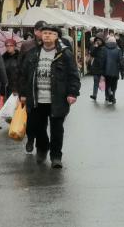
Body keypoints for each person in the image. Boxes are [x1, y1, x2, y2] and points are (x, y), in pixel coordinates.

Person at [19, 25, 80, 168]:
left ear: (56, 36)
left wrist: (72, 93)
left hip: (57, 99)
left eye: (50, 33)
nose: (47, 35)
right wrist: (23, 93)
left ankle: (56, 156)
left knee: (57, 129)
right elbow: (24, 74)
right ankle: (43, 147)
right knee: (36, 127)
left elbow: (73, 75)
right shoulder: (33, 53)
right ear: (40, 35)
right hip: (36, 98)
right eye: (45, 33)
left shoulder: (64, 54)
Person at [18, 20, 46, 154]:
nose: (43, 33)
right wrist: (21, 92)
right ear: (35, 31)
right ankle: (30, 139)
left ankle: (41, 144)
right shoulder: (27, 46)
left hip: (44, 89)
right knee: (30, 118)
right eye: (41, 30)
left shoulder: (50, 45)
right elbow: (21, 69)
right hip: (29, 88)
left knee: (43, 120)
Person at [101, 36, 124, 104]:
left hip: (106, 70)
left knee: (108, 84)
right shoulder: (118, 50)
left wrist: (101, 70)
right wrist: (122, 72)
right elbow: (121, 62)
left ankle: (109, 95)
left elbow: (102, 60)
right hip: (115, 71)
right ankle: (113, 96)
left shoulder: (104, 49)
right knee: (114, 84)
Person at [88, 36, 105, 101]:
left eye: (99, 40)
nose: (98, 41)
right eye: (97, 40)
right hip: (96, 67)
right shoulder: (95, 47)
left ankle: (108, 95)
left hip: (103, 67)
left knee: (105, 82)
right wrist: (95, 47)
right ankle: (94, 95)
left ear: (102, 41)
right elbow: (92, 54)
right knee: (95, 81)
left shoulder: (105, 48)